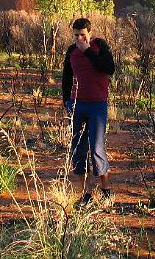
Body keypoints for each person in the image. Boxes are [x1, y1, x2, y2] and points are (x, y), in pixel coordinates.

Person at [62, 17, 116, 206]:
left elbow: (109, 68)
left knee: (96, 147)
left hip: (97, 105)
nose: (79, 39)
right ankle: (85, 194)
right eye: (76, 36)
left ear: (89, 34)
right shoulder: (71, 51)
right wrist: (66, 101)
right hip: (78, 105)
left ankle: (106, 190)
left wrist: (88, 52)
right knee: (78, 149)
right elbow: (66, 78)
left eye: (83, 35)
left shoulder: (99, 45)